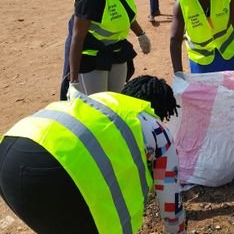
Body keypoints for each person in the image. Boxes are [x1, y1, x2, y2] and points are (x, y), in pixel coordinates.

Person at [0, 75, 186, 234]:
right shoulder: (157, 130)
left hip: (10, 153)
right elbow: (171, 202)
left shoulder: (101, 100)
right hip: (54, 171)